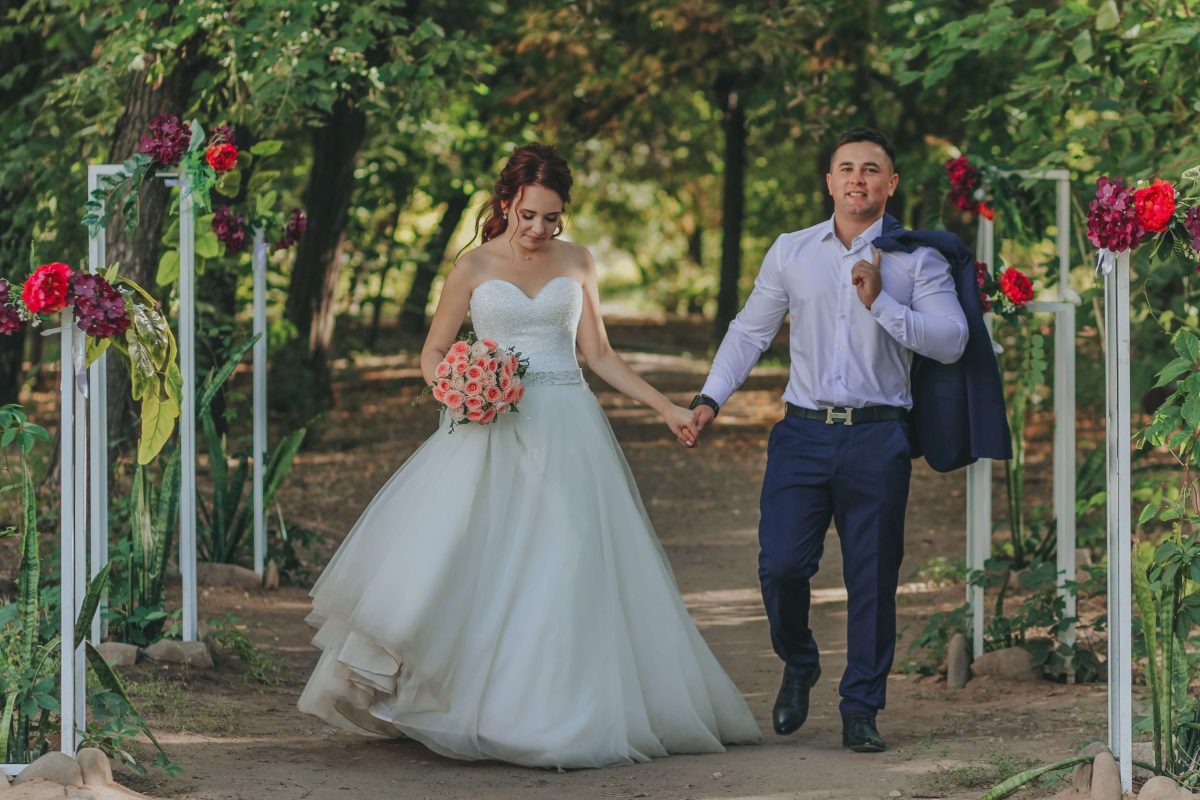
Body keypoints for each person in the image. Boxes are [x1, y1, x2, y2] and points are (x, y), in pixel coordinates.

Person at [298, 143, 761, 769]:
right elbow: (432, 352)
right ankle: (456, 700)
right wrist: (458, 388)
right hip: (488, 427)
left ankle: (554, 712)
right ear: (506, 203)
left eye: (552, 217)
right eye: (528, 215)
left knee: (565, 560)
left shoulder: (579, 261)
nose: (540, 229)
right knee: (470, 559)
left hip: (567, 426)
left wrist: (666, 407)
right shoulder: (472, 266)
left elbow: (599, 355)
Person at [688, 128, 968, 753]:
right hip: (803, 433)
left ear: (890, 184)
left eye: (870, 169)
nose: (857, 179)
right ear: (829, 181)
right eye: (846, 168)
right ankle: (800, 660)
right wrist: (710, 398)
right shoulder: (791, 251)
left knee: (873, 577)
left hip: (879, 435)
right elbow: (749, 332)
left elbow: (952, 341)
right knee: (780, 565)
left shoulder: (916, 259)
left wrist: (882, 304)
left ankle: (861, 707)